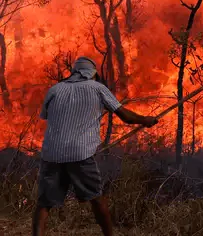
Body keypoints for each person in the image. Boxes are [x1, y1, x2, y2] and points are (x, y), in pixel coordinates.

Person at [33, 57, 158, 236]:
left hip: (51, 154)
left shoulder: (55, 89)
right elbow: (126, 117)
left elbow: (45, 116)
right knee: (97, 199)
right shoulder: (97, 88)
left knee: (44, 203)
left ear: (75, 72)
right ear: (92, 74)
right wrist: (145, 120)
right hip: (80, 154)